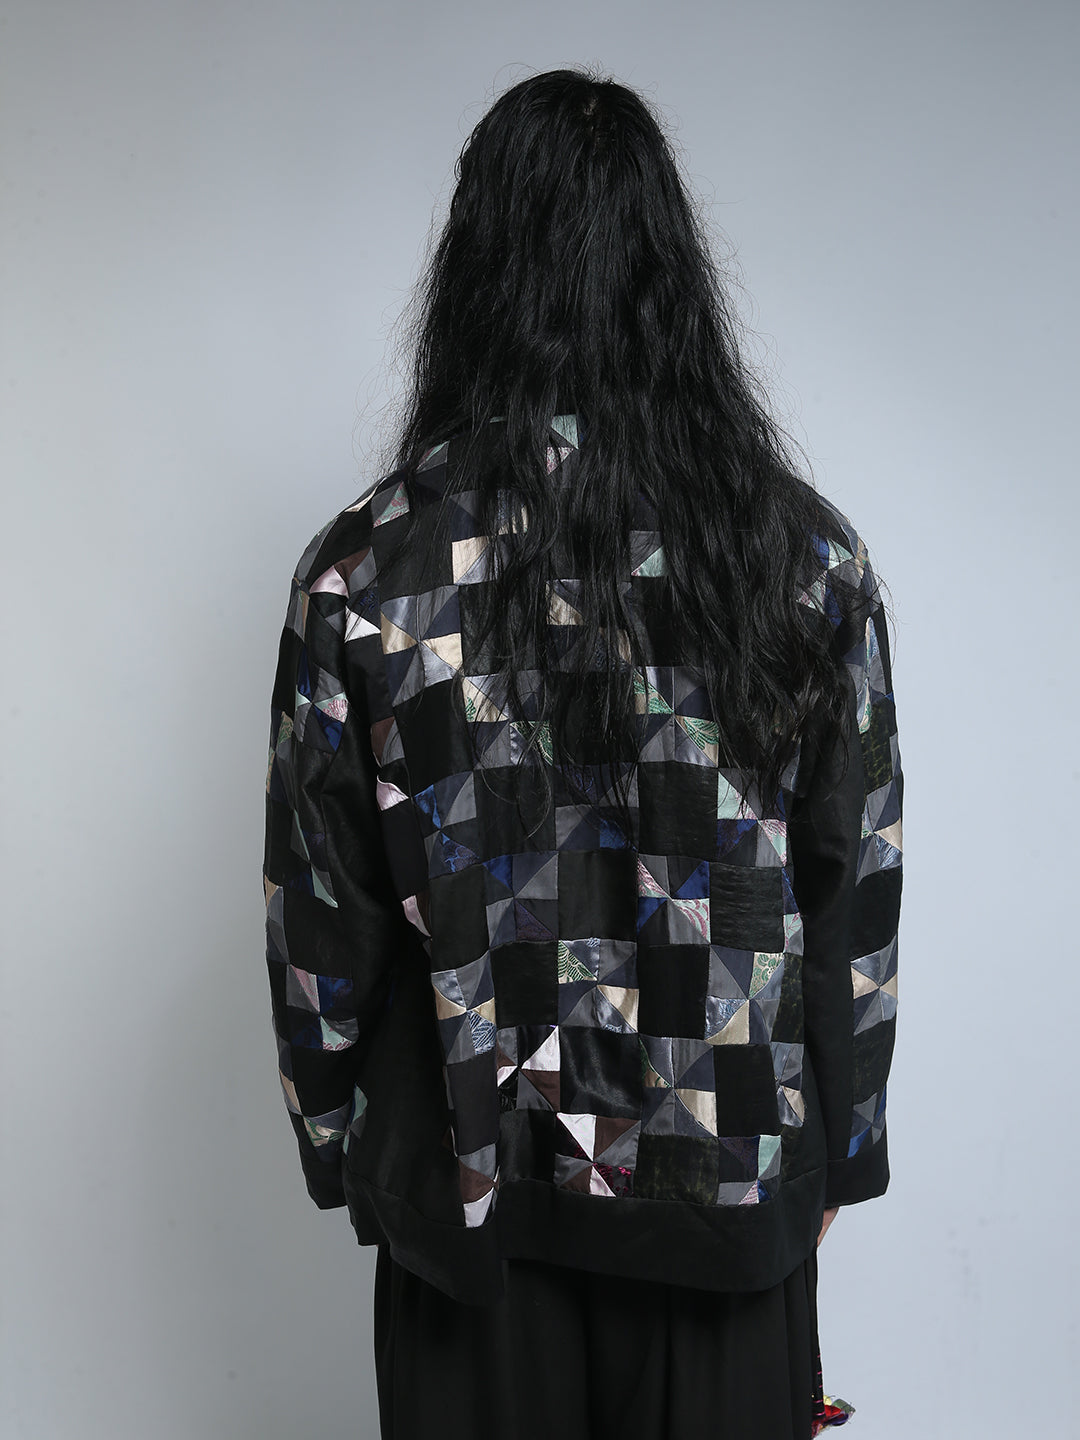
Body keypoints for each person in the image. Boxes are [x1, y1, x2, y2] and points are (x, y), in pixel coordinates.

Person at [263, 68, 901, 1440]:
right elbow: (854, 885)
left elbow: (318, 909)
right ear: (673, 275)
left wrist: (337, 1142)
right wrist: (841, 1150)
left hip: (470, 1187)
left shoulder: (366, 575)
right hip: (729, 1188)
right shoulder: (804, 561)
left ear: (474, 271)